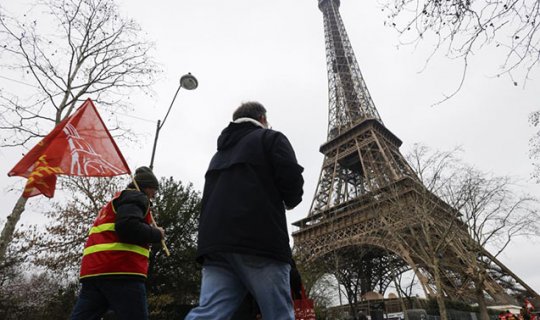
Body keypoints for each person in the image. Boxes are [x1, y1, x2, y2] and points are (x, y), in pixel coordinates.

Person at [186, 101, 304, 320]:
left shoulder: (218, 155)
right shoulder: (271, 138)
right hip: (259, 240)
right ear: (262, 119)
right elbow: (291, 181)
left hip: (215, 245)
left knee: (209, 313)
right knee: (278, 314)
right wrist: (291, 199)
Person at [70, 166, 165, 320]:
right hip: (122, 270)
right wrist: (156, 233)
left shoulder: (115, 202)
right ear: (147, 187)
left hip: (94, 272)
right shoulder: (136, 197)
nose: (154, 195)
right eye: (154, 190)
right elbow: (127, 227)